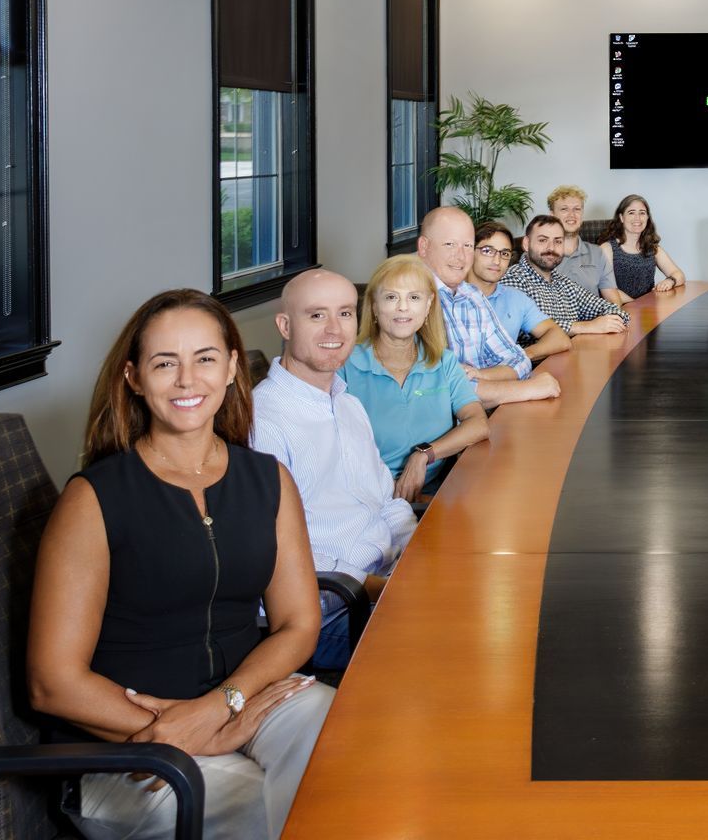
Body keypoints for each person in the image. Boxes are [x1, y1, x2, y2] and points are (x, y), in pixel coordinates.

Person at [28, 289, 332, 840]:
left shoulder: (268, 481)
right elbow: (53, 684)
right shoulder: (93, 499)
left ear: (233, 368)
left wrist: (218, 707)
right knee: (254, 817)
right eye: (165, 363)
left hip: (244, 698)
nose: (188, 380)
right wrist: (178, 728)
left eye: (205, 359)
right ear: (134, 378)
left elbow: (298, 624)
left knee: (345, 752)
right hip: (126, 743)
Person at [250, 269, 416, 669]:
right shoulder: (264, 420)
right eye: (316, 315)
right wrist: (382, 588)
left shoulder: (347, 403)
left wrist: (419, 551)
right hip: (328, 614)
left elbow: (385, 502)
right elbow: (279, 556)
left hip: (381, 580)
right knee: (449, 639)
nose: (334, 329)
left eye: (344, 313)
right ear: (285, 325)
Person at [340, 255, 491, 503]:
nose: (403, 307)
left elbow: (477, 423)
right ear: (374, 306)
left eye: (414, 297)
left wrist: (423, 456)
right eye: (391, 297)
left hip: (433, 498)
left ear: (429, 305)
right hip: (362, 500)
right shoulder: (344, 366)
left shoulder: (443, 361)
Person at [418, 206, 562, 408]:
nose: (460, 256)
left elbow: (518, 360)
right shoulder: (410, 295)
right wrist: (528, 389)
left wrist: (481, 375)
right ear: (424, 247)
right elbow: (441, 389)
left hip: (482, 420)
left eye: (467, 246)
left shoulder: (471, 295)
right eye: (450, 244)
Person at [465, 219, 572, 369]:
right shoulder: (450, 296)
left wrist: (520, 356)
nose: (497, 261)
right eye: (487, 251)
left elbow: (560, 338)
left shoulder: (515, 298)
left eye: (504, 253)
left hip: (505, 380)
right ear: (470, 251)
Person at [505, 213, 632, 333]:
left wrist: (609, 320)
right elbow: (525, 330)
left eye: (558, 241)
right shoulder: (512, 281)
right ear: (526, 244)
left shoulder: (563, 283)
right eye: (543, 240)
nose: (551, 248)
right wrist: (587, 327)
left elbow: (612, 309)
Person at [546, 185, 627, 306]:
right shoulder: (540, 255)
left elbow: (613, 300)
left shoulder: (597, 253)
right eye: (564, 209)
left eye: (577, 209)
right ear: (552, 215)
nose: (571, 215)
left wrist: (613, 318)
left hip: (597, 321)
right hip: (557, 323)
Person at [601, 194, 686, 298]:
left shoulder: (652, 248)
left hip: (647, 311)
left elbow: (679, 275)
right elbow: (609, 291)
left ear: (647, 218)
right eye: (631, 213)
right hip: (618, 310)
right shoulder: (607, 249)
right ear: (621, 217)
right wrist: (636, 305)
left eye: (642, 213)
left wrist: (670, 281)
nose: (637, 218)